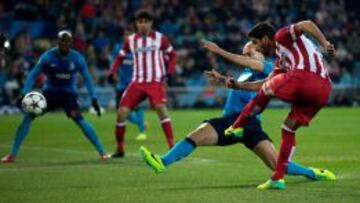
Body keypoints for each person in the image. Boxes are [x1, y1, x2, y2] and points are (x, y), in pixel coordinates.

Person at [139, 41, 335, 183]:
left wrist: (218, 50)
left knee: (277, 164)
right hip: (232, 121)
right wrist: (223, 79)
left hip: (248, 122)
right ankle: (162, 162)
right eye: (245, 53)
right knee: (197, 135)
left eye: (249, 53)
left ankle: (313, 173)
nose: (246, 57)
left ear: (260, 54)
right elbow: (242, 86)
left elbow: (254, 72)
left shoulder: (269, 67)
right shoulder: (247, 73)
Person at [224, 20, 335, 189]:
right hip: (323, 90)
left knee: (268, 90)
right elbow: (266, 84)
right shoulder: (282, 60)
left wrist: (324, 42)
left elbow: (306, 24)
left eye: (255, 42)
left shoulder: (281, 36)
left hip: (305, 77)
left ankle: (238, 126)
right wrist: (239, 86)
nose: (255, 47)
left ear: (267, 38)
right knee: (288, 128)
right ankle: (278, 178)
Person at [1, 30, 110, 163]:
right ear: (57, 42)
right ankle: (12, 155)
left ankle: (103, 152)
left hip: (68, 95)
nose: (64, 44)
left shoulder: (78, 58)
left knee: (80, 120)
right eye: (62, 41)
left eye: (67, 41)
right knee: (28, 117)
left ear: (71, 43)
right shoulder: (48, 57)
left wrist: (93, 98)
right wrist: (25, 94)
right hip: (49, 94)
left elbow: (87, 78)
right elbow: (33, 74)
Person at [108, 10, 176, 158]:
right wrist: (112, 72)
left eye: (146, 21)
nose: (143, 24)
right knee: (121, 113)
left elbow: (172, 55)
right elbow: (119, 57)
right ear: (136, 24)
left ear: (151, 23)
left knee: (160, 108)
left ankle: (172, 147)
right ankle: (120, 149)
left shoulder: (160, 38)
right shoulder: (130, 40)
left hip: (155, 81)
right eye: (140, 22)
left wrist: (169, 72)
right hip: (137, 82)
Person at [111, 26, 147, 142]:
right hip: (121, 84)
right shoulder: (118, 48)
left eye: (129, 35)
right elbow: (115, 63)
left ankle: (142, 132)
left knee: (138, 107)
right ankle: (141, 124)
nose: (127, 37)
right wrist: (114, 75)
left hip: (135, 83)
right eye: (125, 35)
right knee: (120, 110)